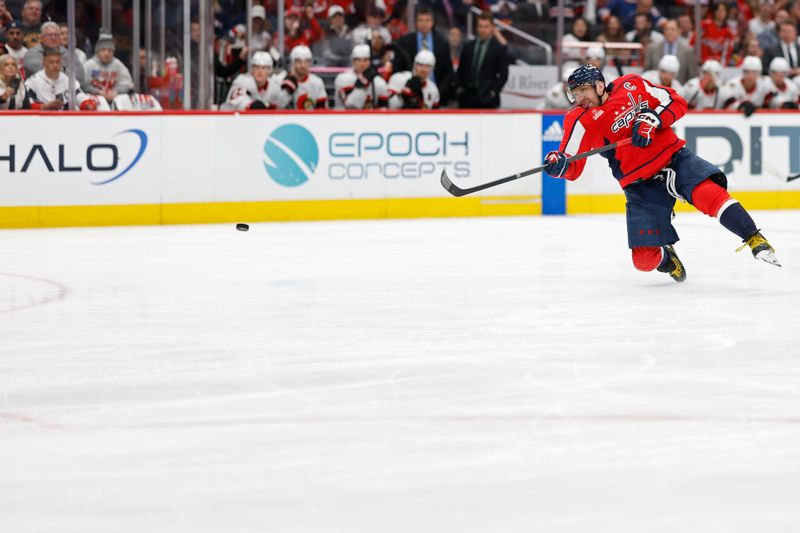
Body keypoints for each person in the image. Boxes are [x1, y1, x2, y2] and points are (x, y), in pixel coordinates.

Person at [542, 64, 780, 283]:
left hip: (672, 158)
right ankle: (668, 257)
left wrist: (653, 118)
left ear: (600, 85)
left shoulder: (632, 85)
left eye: (584, 89)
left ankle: (754, 238)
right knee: (643, 261)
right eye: (575, 93)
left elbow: (676, 102)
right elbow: (571, 165)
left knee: (709, 194)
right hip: (638, 183)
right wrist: (558, 164)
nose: (580, 97)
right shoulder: (578, 119)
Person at [394, 6, 453, 101]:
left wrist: (437, 92)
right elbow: (397, 68)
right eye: (421, 20)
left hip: (437, 95)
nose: (424, 24)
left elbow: (448, 73)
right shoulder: (404, 42)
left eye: (427, 20)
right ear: (416, 22)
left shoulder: (442, 43)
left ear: (432, 22)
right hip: (408, 95)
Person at [455, 10, 508, 109]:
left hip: (488, 99)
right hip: (467, 98)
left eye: (486, 26)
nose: (483, 30)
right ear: (476, 27)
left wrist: (493, 93)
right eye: (480, 26)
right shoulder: (468, 46)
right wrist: (460, 89)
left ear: (492, 27)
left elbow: (504, 75)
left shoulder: (499, 48)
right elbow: (461, 70)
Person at [23, 46, 97, 110]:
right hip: (41, 120)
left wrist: (88, 104)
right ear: (44, 62)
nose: (55, 65)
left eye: (57, 62)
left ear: (61, 63)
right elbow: (26, 104)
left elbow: (81, 98)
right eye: (51, 62)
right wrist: (44, 107)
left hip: (65, 121)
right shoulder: (33, 82)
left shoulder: (69, 81)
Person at [23, 21, 86, 86]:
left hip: (64, 92)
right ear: (41, 37)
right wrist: (64, 69)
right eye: (49, 35)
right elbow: (45, 74)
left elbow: (80, 77)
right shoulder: (32, 53)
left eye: (56, 35)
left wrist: (57, 71)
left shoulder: (68, 54)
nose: (53, 38)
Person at [83, 31, 134, 107]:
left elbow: (127, 82)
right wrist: (98, 92)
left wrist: (115, 92)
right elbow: (83, 84)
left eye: (110, 50)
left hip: (115, 100)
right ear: (97, 52)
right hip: (93, 101)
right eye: (103, 50)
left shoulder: (118, 64)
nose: (106, 53)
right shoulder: (89, 65)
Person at [334, 43, 389, 108]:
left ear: (370, 61)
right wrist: (363, 82)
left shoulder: (379, 82)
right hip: (345, 117)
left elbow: (383, 108)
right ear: (353, 61)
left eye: (365, 60)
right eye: (358, 60)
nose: (362, 63)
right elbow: (351, 106)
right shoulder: (342, 79)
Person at [644, 20, 698, 84]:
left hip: (678, 90)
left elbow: (692, 76)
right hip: (655, 89)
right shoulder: (653, 48)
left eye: (672, 29)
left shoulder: (688, 50)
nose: (669, 32)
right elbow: (646, 71)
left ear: (679, 31)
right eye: (666, 29)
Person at [275, 44, 327, 109]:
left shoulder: (317, 82)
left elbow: (322, 110)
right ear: (293, 62)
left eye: (306, 61)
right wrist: (287, 90)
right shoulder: (278, 80)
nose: (303, 65)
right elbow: (275, 108)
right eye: (299, 61)